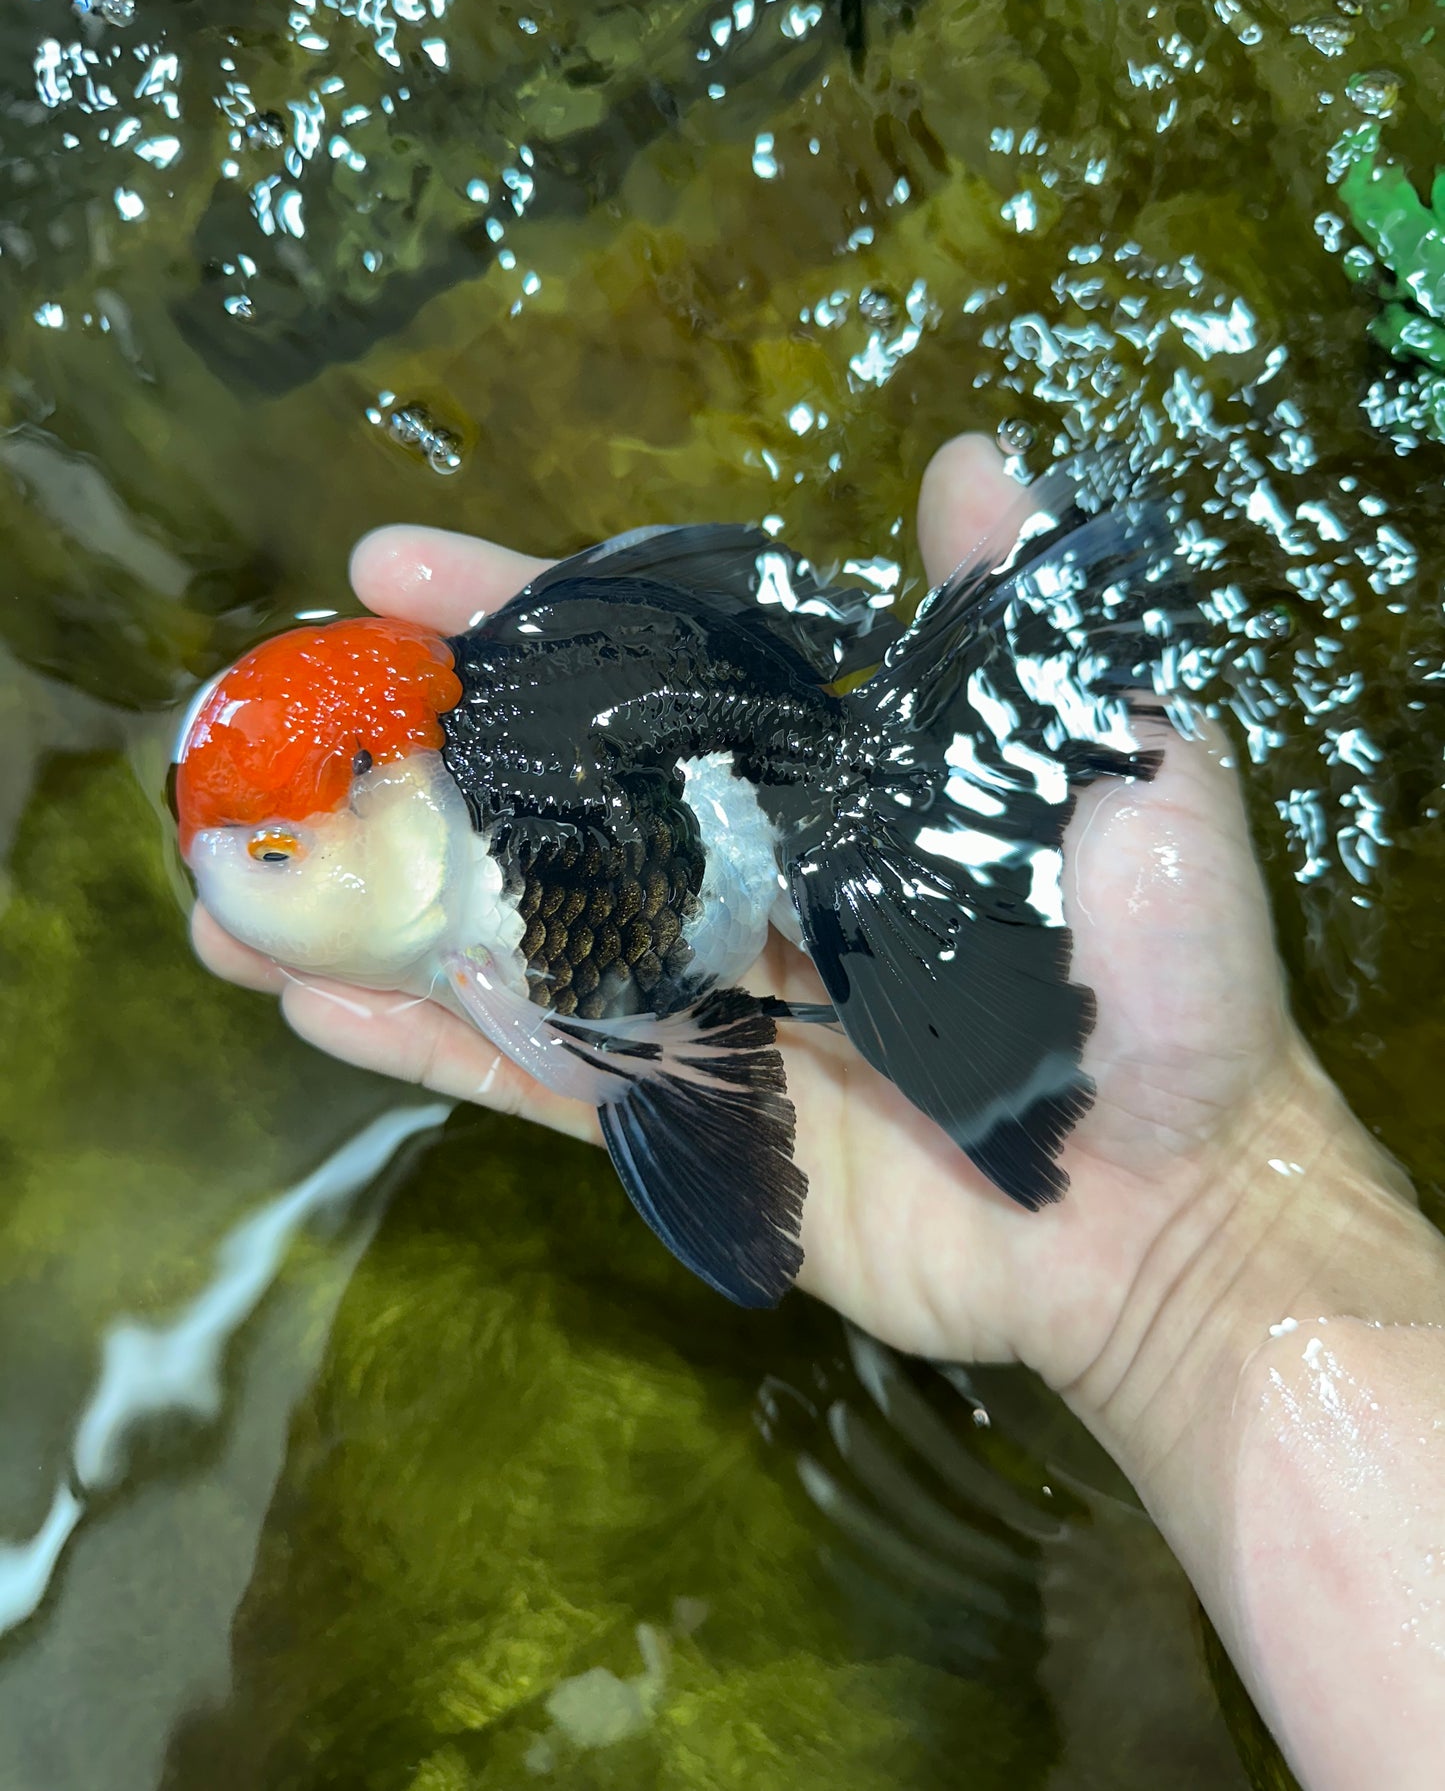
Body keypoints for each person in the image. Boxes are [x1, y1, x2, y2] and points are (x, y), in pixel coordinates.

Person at [194, 434, 1445, 1790]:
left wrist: (1198, 1236)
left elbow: (589, 1066)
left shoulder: (487, 930)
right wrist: (1195, 1264)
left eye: (270, 856)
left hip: (739, 828)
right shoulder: (484, 799)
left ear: (396, 797)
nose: (236, 890)